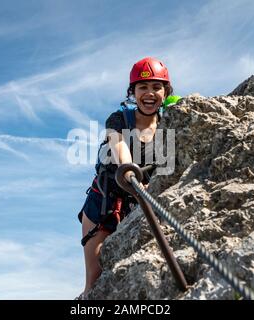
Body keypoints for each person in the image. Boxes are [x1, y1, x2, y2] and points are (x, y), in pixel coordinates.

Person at [76, 57, 174, 299]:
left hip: (141, 204)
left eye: (156, 87)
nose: (149, 93)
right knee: (95, 279)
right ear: (133, 92)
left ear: (165, 92)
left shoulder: (170, 124)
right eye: (143, 87)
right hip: (103, 205)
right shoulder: (118, 119)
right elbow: (119, 145)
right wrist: (130, 171)